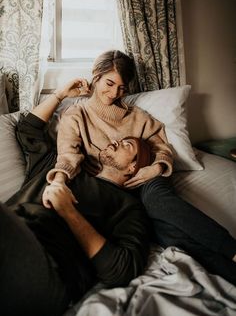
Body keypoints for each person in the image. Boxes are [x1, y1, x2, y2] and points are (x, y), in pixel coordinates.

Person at [45, 49, 236, 286]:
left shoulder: (137, 116)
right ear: (95, 76)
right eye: (110, 83)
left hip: (149, 177)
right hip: (116, 190)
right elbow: (68, 154)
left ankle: (232, 249)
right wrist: (59, 179)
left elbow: (161, 145)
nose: (114, 93)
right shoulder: (75, 115)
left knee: (157, 201)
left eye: (122, 88)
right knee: (170, 234)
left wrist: (156, 168)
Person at [2, 91, 151, 316]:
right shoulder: (59, 165)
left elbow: (122, 270)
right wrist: (61, 94)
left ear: (133, 167)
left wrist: (68, 211)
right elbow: (27, 129)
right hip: (12, 228)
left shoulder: (128, 207)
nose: (117, 140)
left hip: (48, 267)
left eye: (128, 145)